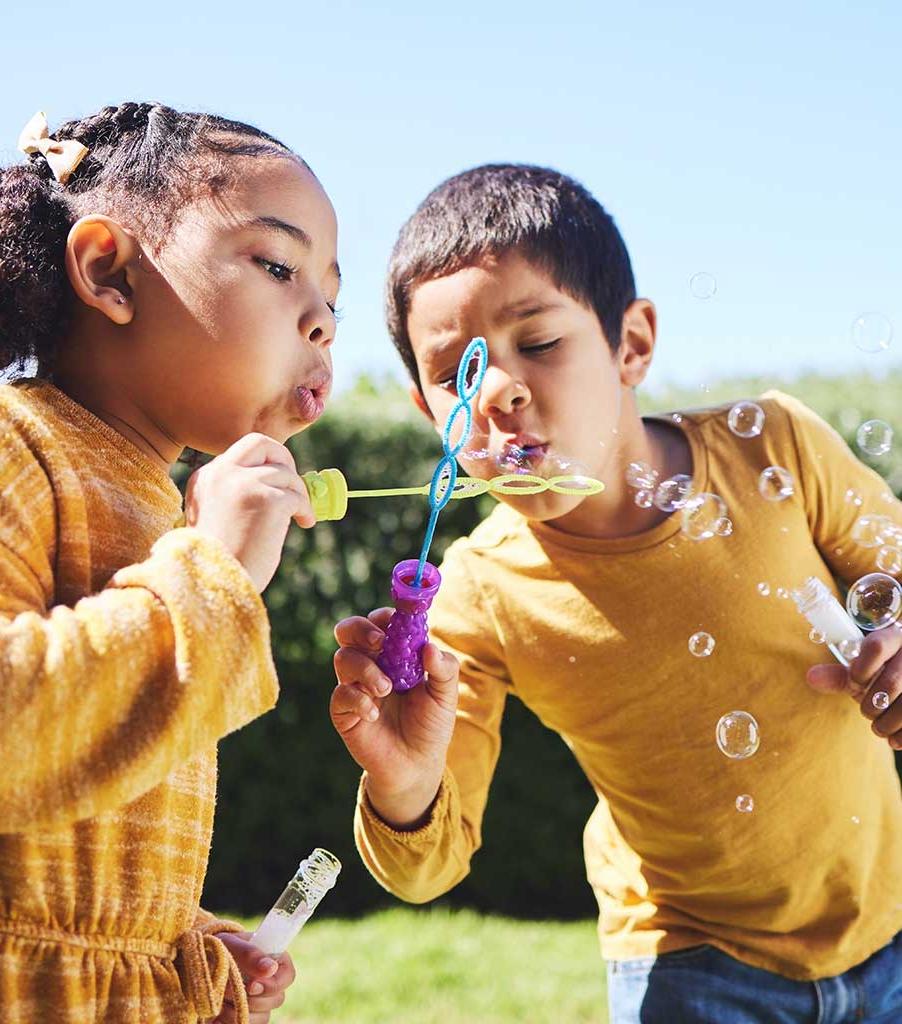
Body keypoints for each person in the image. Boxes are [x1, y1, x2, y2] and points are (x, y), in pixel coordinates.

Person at [331, 163, 902, 1022]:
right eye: (458, 373)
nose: (499, 390)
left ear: (631, 344)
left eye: (539, 341)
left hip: (889, 914)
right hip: (687, 957)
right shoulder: (477, 594)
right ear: (426, 412)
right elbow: (426, 868)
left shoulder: (775, 448)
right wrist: (403, 785)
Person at [0, 101, 340, 1024]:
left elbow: (67, 830)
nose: (321, 322)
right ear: (108, 272)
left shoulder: (163, 506)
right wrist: (208, 575)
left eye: (331, 297)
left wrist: (179, 944)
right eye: (280, 267)